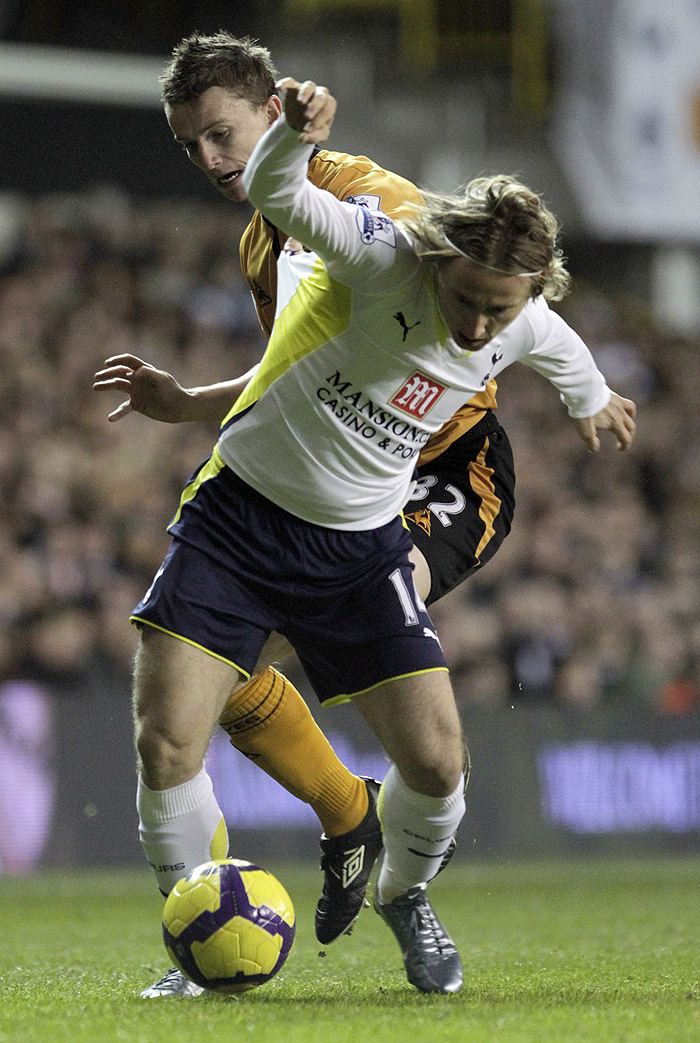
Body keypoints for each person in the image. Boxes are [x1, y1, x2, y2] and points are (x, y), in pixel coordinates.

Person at [95, 39, 636, 996]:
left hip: (418, 494)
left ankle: (399, 882)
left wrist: (594, 400)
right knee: (167, 736)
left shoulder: (394, 216)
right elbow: (303, 325)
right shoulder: (349, 248)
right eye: (193, 147)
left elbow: (559, 346)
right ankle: (201, 922)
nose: (476, 328)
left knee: (436, 759)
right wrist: (195, 404)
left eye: (224, 135)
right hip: (243, 514)